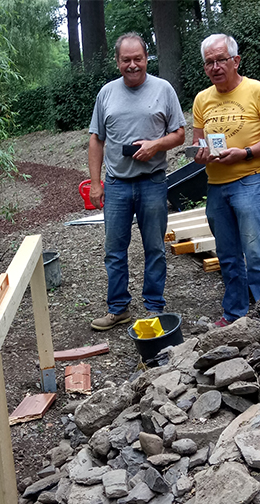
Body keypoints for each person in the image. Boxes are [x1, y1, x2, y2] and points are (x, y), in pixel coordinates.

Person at [88, 33, 186, 331]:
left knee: (154, 247)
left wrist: (155, 145)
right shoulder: (106, 93)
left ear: (147, 57)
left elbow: (180, 133)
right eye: (126, 60)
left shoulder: (163, 89)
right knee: (114, 250)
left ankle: (154, 306)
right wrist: (95, 183)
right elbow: (96, 140)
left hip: (153, 182)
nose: (133, 65)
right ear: (117, 61)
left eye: (138, 59)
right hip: (117, 184)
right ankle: (118, 308)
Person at [192, 33, 260, 327]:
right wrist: (200, 154)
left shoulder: (257, 90)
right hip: (216, 186)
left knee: (256, 252)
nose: (214, 67)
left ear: (235, 60)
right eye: (208, 62)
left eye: (220, 60)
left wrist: (246, 153)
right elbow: (198, 143)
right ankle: (235, 315)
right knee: (228, 256)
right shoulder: (202, 99)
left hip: (250, 181)